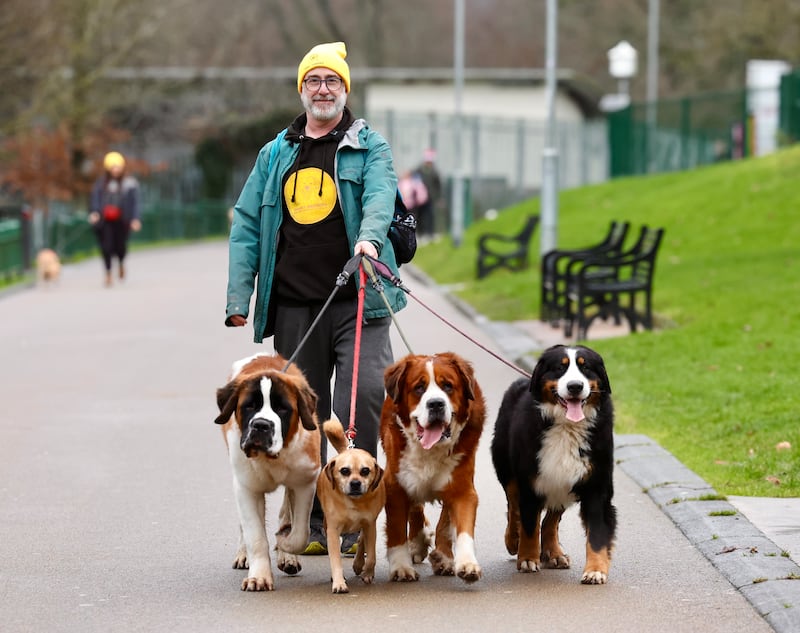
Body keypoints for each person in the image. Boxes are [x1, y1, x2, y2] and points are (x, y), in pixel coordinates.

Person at [224, 42, 407, 556]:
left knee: (366, 393)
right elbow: (247, 224)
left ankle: (356, 507)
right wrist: (240, 294)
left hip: (360, 295)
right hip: (294, 303)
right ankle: (307, 515)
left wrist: (369, 240)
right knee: (305, 410)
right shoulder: (276, 151)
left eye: (332, 81)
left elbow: (380, 195)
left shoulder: (369, 145)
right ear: (301, 90)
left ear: (345, 90)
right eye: (313, 81)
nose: (322, 89)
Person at [88, 151, 141, 287]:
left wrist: (135, 219)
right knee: (106, 247)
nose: (116, 170)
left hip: (122, 221)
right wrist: (95, 212)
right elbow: (95, 199)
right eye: (113, 167)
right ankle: (108, 274)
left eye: (118, 167)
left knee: (120, 247)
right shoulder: (101, 184)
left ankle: (121, 263)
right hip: (105, 221)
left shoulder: (129, 184)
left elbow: (135, 202)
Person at [414, 148, 443, 238]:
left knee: (430, 215)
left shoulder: (434, 171)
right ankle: (420, 232)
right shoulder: (419, 170)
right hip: (420, 197)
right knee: (420, 215)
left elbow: (438, 185)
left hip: (430, 197)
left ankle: (430, 232)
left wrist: (438, 197)